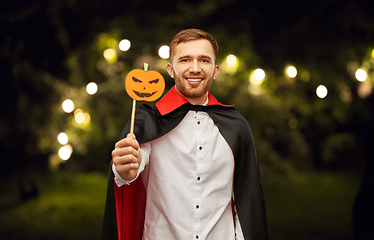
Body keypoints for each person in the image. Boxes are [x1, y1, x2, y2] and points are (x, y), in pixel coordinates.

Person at [102, 28, 268, 240]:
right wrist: (125, 169)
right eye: (185, 60)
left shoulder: (236, 126)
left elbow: (247, 198)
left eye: (204, 60)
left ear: (215, 71)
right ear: (171, 69)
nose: (195, 68)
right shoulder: (149, 119)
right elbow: (132, 166)